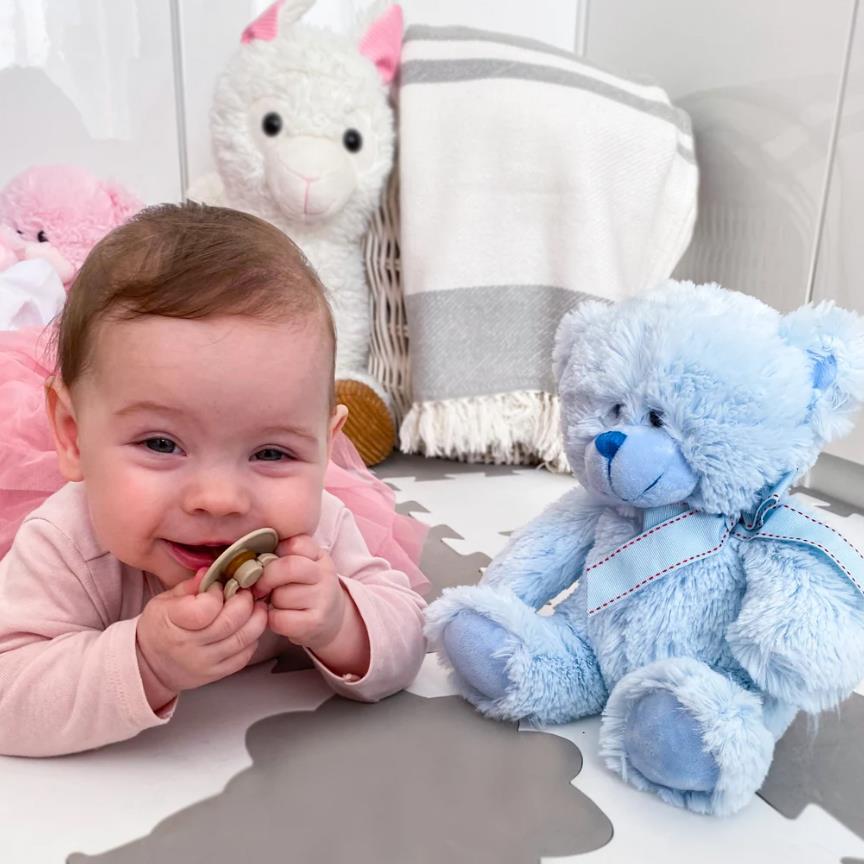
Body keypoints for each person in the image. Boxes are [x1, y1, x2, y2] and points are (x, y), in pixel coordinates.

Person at [0, 202, 428, 757]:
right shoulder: (67, 542)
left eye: (272, 452)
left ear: (324, 448)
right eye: (160, 444)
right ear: (74, 436)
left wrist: (342, 622)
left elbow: (410, 635)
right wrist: (145, 662)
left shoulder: (315, 532)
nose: (220, 500)